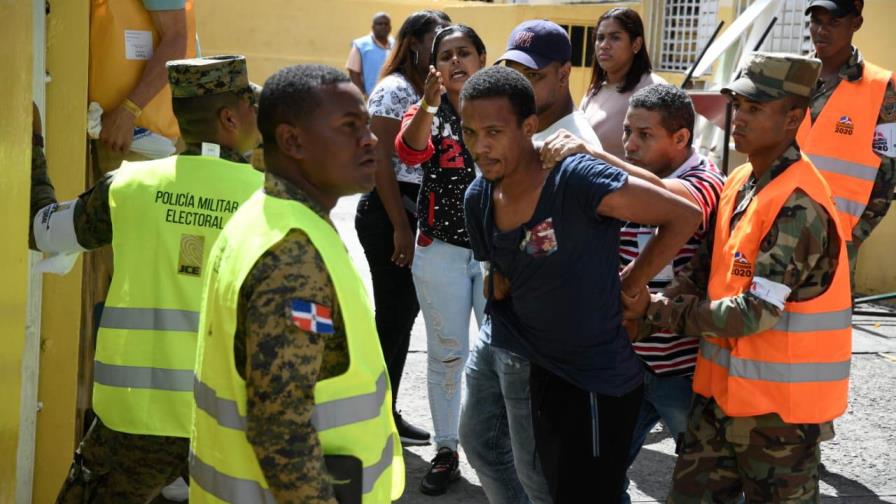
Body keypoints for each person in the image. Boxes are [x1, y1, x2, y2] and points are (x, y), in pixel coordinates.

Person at [461, 65, 702, 503]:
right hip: (526, 362)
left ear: (529, 128)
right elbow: (498, 282)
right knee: (487, 449)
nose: (480, 146)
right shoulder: (478, 197)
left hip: (592, 382)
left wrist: (633, 279)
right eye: (469, 132)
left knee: (568, 491)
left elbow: (683, 215)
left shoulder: (574, 178)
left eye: (494, 131)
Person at [31, 55, 263, 503]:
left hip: (134, 419)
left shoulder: (127, 188)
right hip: (231, 422)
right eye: (252, 106)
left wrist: (34, 146)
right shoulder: (275, 203)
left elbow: (43, 230)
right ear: (230, 117)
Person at [623, 53, 851, 502]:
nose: (740, 119)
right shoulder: (741, 180)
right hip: (719, 402)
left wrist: (654, 309)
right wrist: (653, 298)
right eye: (739, 106)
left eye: (755, 108)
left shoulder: (799, 204)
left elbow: (753, 313)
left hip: (779, 421)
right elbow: (706, 265)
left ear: (792, 118)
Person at [189, 64, 404, 504]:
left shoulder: (264, 217)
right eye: (349, 127)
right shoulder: (292, 256)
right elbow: (281, 430)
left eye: (366, 124)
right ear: (292, 141)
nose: (370, 139)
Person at [542, 84, 726, 502]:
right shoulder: (629, 183)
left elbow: (675, 205)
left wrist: (593, 155)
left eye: (645, 135)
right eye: (627, 132)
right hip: (628, 363)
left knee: (710, 484)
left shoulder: (706, 180)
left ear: (681, 139)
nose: (629, 144)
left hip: (684, 371)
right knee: (599, 478)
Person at [457, 19, 599, 504]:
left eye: (533, 76)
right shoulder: (507, 130)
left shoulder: (575, 146)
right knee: (479, 442)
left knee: (539, 469)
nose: (520, 85)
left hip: (541, 340)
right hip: (502, 327)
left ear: (564, 74)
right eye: (512, 72)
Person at [394, 24, 487, 495]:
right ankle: (446, 449)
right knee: (447, 355)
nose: (456, 62)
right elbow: (409, 151)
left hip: (496, 256)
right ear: (434, 67)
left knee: (504, 356)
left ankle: (501, 450)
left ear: (481, 58)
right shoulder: (425, 109)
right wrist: (429, 104)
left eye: (464, 52)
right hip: (441, 252)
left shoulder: (504, 104)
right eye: (446, 55)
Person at [356, 9, 451, 448]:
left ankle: (383, 411)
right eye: (436, 39)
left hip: (417, 215)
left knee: (401, 317)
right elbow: (379, 164)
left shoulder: (430, 90)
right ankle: (371, 413)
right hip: (390, 212)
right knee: (392, 319)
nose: (443, 48)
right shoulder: (395, 90)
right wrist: (399, 226)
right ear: (413, 42)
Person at [798, 0, 896, 282]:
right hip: (778, 224)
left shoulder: (882, 88)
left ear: (856, 24)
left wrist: (857, 234)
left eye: (833, 22)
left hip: (839, 235)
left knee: (826, 320)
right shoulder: (791, 76)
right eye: (816, 21)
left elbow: (888, 173)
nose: (821, 30)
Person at [580, 7, 666, 159]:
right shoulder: (595, 90)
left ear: (636, 44)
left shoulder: (655, 90)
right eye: (600, 38)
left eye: (615, 37)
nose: (604, 45)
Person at [347, 12, 395, 97]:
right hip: (369, 98)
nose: (383, 26)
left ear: (390, 27)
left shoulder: (395, 45)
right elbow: (354, 73)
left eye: (386, 24)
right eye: (380, 24)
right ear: (373, 27)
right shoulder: (360, 45)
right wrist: (362, 95)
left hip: (392, 97)